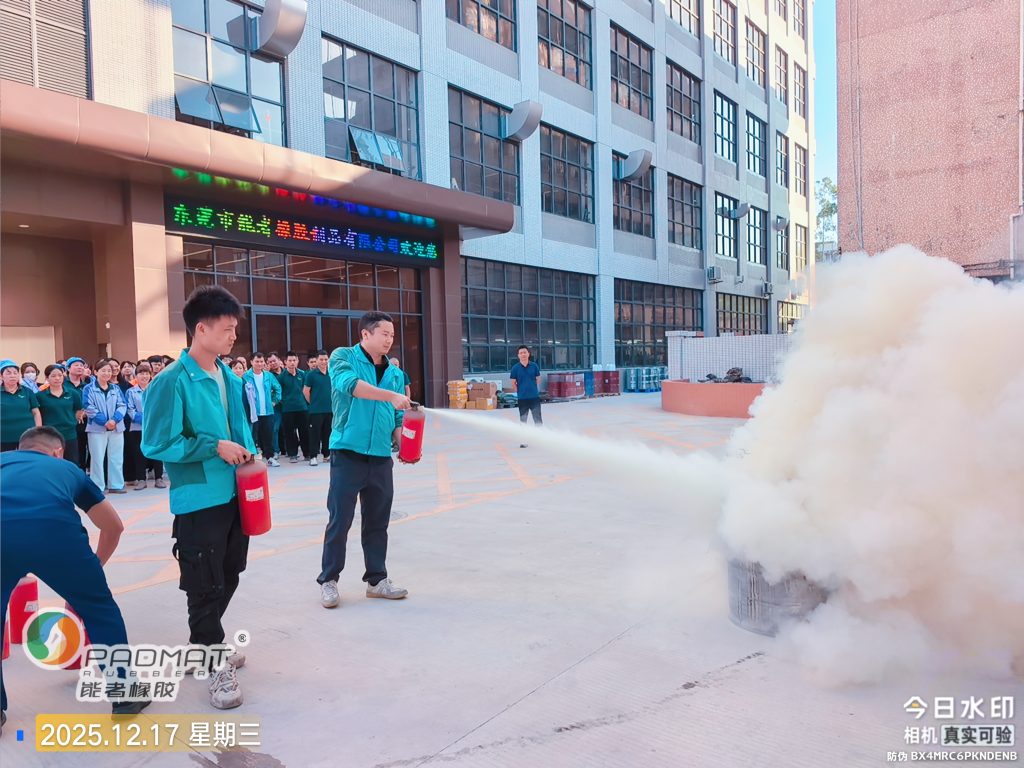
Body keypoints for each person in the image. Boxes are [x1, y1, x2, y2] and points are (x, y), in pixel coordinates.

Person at [141, 285, 257, 710]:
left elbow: (239, 429)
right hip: (199, 497)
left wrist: (248, 456)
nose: (233, 337)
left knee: (231, 569)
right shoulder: (171, 382)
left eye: (234, 330)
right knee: (204, 581)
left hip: (234, 493)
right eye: (227, 329)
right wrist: (213, 446)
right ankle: (212, 657)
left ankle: (202, 645)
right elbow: (155, 444)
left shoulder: (228, 376)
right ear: (200, 329)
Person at [1, 426, 149, 729]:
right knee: (99, 610)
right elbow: (113, 526)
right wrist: (91, 573)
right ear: (58, 451)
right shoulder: (66, 468)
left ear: (19, 449)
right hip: (56, 538)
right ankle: (125, 695)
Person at [317, 311, 413, 609]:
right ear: (365, 335)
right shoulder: (343, 357)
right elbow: (348, 385)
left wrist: (403, 443)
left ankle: (376, 580)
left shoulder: (395, 374)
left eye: (392, 335)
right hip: (348, 452)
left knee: (377, 522)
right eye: (384, 333)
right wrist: (388, 396)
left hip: (380, 457)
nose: (389, 339)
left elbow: (397, 415)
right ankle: (329, 580)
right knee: (340, 519)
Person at [83, 359, 128, 493]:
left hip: (116, 428)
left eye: (109, 370)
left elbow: (122, 405)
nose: (107, 373)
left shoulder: (115, 388)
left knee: (116, 457)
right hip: (97, 429)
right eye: (103, 370)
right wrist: (104, 422)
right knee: (97, 458)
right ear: (96, 372)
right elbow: (88, 407)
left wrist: (114, 420)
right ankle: (98, 486)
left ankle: (116, 485)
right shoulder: (89, 388)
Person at [125, 363, 166, 490]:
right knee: (139, 453)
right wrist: (146, 420)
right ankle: (141, 479)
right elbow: (130, 409)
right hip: (137, 428)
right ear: (136, 376)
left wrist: (153, 420)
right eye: (141, 373)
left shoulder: (156, 389)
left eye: (147, 373)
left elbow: (161, 407)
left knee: (157, 452)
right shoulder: (131, 392)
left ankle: (159, 478)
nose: (144, 376)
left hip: (155, 427)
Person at [37, 364, 86, 464]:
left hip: (70, 434)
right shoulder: (40, 396)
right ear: (47, 378)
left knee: (71, 462)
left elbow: (78, 410)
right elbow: (37, 414)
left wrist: (72, 420)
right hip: (50, 435)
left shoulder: (72, 393)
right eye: (53, 376)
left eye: (60, 375)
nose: (57, 378)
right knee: (52, 462)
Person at [242, 353, 281, 468]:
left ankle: (269, 457)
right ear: (251, 362)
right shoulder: (246, 376)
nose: (259, 364)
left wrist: (274, 401)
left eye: (261, 361)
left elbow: (277, 388)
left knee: (268, 435)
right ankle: (251, 459)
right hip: (253, 412)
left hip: (268, 411)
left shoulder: (268, 375)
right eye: (257, 361)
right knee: (252, 436)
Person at [0, 360, 41, 452]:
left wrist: (38, 431)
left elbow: (36, 413)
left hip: (27, 437)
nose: (12, 375)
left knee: (27, 461)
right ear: (1, 376)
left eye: (15, 373)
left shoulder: (27, 391)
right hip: (3, 438)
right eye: (8, 373)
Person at [278, 351, 309, 463]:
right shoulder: (281, 377)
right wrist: (283, 402)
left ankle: (307, 453)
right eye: (290, 361)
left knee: (304, 431)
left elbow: (307, 390)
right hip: (288, 409)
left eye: (294, 360)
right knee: (289, 433)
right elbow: (277, 392)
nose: (292, 363)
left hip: (302, 407)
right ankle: (293, 454)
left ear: (297, 361)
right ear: (285, 362)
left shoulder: (303, 374)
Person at [303, 350, 332, 467]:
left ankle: (327, 455)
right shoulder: (311, 374)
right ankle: (313, 456)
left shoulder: (332, 373)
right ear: (317, 360)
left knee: (328, 433)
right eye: (321, 359)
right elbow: (305, 391)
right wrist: (313, 403)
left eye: (326, 359)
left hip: (330, 409)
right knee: (314, 434)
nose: (324, 362)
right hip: (315, 410)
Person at [510, 345, 542, 448]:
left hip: (534, 397)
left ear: (528, 354)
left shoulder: (534, 366)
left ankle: (542, 440)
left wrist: (531, 388)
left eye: (525, 352)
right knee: (523, 419)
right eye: (521, 353)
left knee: (537, 419)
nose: (523, 354)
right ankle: (524, 441)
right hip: (522, 399)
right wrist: (520, 392)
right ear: (518, 355)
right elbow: (513, 383)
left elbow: (538, 379)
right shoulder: (515, 368)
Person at [65, 357, 92, 468]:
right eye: (76, 365)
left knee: (85, 451)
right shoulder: (63, 384)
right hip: (69, 422)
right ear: (68, 368)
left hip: (86, 421)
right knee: (72, 451)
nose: (80, 367)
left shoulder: (87, 385)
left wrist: (84, 413)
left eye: (82, 365)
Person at [266, 352, 285, 456]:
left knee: (286, 429)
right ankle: (276, 450)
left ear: (279, 360)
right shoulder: (268, 376)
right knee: (275, 429)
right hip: (275, 406)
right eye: (270, 362)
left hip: (287, 405)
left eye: (274, 360)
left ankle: (286, 449)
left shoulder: (286, 372)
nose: (273, 363)